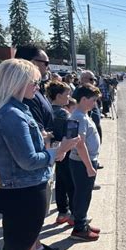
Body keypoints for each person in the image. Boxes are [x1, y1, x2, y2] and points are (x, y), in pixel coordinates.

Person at [0, 59, 79, 250]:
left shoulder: (17, 109)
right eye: (34, 81)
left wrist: (43, 142)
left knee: (20, 248)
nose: (38, 85)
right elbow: (28, 160)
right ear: (18, 81)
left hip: (25, 188)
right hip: (23, 191)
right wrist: (58, 150)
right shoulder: (11, 114)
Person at [14, 45, 61, 250]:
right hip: (35, 161)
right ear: (28, 62)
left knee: (40, 209)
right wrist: (47, 141)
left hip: (43, 155)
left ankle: (37, 246)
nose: (47, 68)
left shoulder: (34, 90)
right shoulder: (19, 99)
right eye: (44, 63)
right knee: (33, 213)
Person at [69, 83, 102, 241]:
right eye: (93, 100)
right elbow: (79, 143)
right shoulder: (79, 117)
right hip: (82, 163)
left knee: (84, 194)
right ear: (83, 99)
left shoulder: (82, 114)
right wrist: (89, 166)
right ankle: (79, 228)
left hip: (84, 161)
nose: (94, 103)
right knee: (82, 195)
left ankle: (82, 222)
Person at [46, 81, 75, 225]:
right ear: (58, 96)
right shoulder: (64, 113)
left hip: (52, 149)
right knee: (71, 183)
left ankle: (62, 212)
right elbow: (71, 134)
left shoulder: (45, 110)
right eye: (67, 94)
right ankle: (74, 215)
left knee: (60, 182)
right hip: (66, 151)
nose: (69, 97)